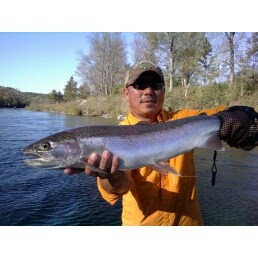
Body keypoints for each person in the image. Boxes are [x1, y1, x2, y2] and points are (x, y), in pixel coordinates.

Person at [64, 61, 258, 226]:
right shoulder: (113, 134)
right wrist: (111, 176)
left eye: (156, 84)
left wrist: (237, 118)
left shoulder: (184, 119)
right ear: (125, 92)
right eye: (140, 85)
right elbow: (118, 190)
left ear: (164, 91)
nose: (149, 91)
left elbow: (225, 114)